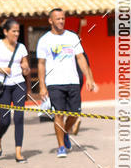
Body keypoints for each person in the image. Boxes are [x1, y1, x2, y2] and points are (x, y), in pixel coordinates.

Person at [37, 8, 97, 157]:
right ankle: (61, 147)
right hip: (54, 83)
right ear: (51, 21)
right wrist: (42, 86)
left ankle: (64, 133)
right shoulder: (44, 40)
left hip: (73, 81)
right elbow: (41, 64)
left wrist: (89, 77)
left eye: (63, 18)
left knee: (75, 113)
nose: (61, 21)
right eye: (58, 19)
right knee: (58, 114)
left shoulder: (72, 37)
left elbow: (80, 58)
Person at [0, 18, 30, 162]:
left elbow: (26, 68)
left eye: (18, 31)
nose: (17, 34)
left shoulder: (21, 47)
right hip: (2, 85)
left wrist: (26, 68)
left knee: (19, 118)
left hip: (19, 84)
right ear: (5, 31)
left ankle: (18, 152)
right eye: (14, 31)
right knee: (5, 120)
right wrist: (1, 69)